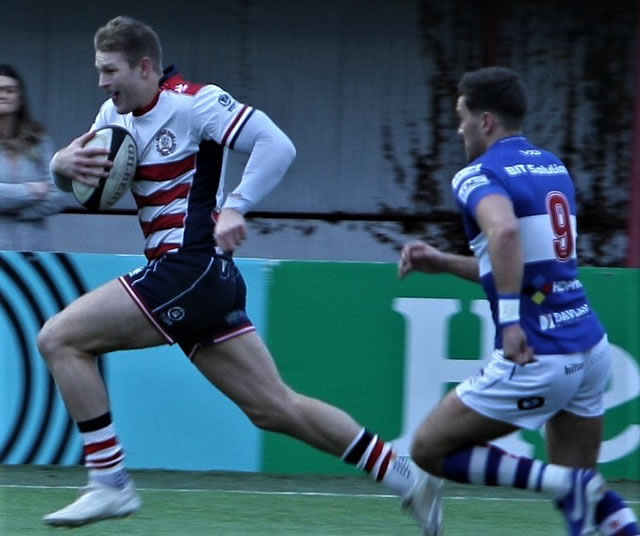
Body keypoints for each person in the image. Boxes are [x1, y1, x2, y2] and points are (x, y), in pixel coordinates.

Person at [37, 15, 442, 532]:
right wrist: (59, 165)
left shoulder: (195, 102)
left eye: (109, 70)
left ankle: (110, 483)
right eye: (98, 70)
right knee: (276, 408)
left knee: (60, 339)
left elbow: (277, 145)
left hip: (190, 267)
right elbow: (86, 187)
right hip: (197, 278)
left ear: (145, 67)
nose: (100, 82)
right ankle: (406, 477)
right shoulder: (112, 117)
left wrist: (236, 206)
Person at [398, 66, 639, 536]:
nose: (459, 129)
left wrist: (510, 322)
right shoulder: (552, 167)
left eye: (462, 117)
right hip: (590, 349)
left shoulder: (477, 174)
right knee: (585, 511)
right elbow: (527, 265)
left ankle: (563, 483)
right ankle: (576, 489)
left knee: (428, 449)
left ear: (485, 121)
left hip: (538, 352)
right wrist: (444, 262)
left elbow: (504, 231)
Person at [0, 64, 67, 251]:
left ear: (20, 98)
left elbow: (58, 195)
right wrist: (31, 191)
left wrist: (15, 211)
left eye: (9, 90)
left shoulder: (38, 139)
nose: (3, 95)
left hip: (33, 250)